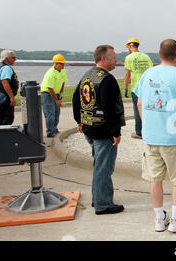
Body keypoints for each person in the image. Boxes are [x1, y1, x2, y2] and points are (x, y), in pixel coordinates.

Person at [134, 39, 176, 233]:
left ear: (159, 53)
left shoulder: (147, 74)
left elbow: (140, 104)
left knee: (154, 178)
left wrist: (147, 124)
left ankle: (159, 217)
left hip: (151, 137)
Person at [72, 45, 126, 215]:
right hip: (103, 131)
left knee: (98, 165)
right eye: (113, 57)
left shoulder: (87, 75)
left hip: (89, 127)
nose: (116, 60)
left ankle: (98, 198)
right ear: (103, 58)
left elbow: (75, 99)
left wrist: (80, 121)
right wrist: (116, 132)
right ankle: (103, 204)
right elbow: (110, 109)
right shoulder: (107, 79)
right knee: (104, 167)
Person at [124, 37, 153, 139]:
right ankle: (149, 130)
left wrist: (125, 88)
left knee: (137, 109)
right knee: (148, 108)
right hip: (147, 87)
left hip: (136, 88)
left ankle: (139, 132)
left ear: (131, 46)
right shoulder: (146, 57)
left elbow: (127, 75)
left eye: (129, 47)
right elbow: (151, 72)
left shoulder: (129, 58)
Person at [40, 54, 67, 137]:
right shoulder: (51, 73)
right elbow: (50, 89)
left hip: (56, 93)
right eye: (61, 64)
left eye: (63, 64)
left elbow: (63, 82)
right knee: (50, 114)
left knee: (56, 113)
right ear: (56, 64)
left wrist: (61, 94)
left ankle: (54, 129)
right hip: (47, 94)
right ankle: (50, 131)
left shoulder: (63, 71)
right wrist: (56, 100)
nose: (63, 65)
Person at [0, 50, 18, 125]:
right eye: (13, 57)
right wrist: (11, 97)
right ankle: (3, 135)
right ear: (7, 58)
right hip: (5, 96)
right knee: (7, 117)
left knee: (1, 116)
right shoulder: (6, 68)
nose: (15, 59)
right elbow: (5, 82)